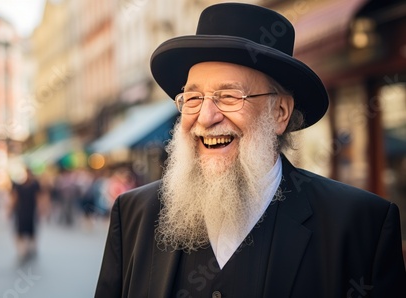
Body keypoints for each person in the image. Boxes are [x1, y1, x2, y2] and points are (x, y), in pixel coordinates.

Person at [95, 3, 406, 298]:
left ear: (280, 113)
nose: (206, 117)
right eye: (192, 99)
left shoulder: (361, 224)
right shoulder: (134, 214)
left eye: (229, 97)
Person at [9, 168, 43, 263]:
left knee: (31, 231)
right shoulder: (18, 186)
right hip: (21, 211)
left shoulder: (35, 185)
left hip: (31, 211)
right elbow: (14, 199)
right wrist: (10, 210)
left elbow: (39, 198)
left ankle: (30, 248)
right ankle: (23, 250)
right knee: (21, 232)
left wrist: (41, 209)